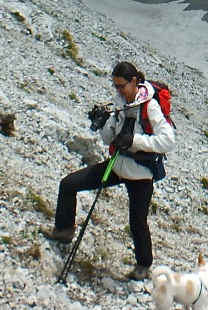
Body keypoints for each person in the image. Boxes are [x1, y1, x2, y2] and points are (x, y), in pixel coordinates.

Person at [44, 60, 175, 281]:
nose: (118, 90)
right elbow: (108, 139)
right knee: (69, 184)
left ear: (134, 81)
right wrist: (105, 123)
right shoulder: (121, 104)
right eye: (115, 86)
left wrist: (134, 140)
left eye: (121, 86)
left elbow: (167, 141)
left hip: (141, 173)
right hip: (117, 164)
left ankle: (144, 265)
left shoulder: (149, 106)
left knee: (137, 222)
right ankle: (64, 230)